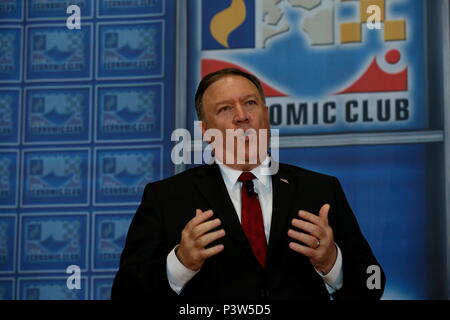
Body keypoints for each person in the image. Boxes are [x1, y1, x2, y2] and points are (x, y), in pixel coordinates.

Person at [111, 68, 385, 300]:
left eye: (250, 103)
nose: (241, 116)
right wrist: (180, 264)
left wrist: (331, 262)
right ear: (205, 131)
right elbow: (125, 293)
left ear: (266, 115)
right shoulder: (166, 197)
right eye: (225, 108)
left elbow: (373, 284)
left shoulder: (320, 189)